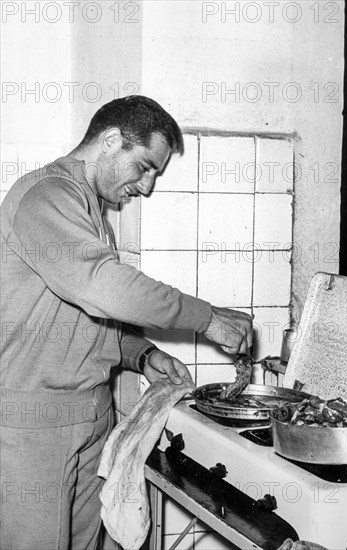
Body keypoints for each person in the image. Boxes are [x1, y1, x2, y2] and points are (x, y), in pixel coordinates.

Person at [0, 95, 253, 550]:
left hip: (91, 415)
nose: (147, 186)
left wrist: (142, 354)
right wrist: (207, 318)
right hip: (34, 425)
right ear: (111, 140)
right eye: (144, 167)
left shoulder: (90, 210)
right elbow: (102, 288)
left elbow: (84, 318)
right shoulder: (45, 196)